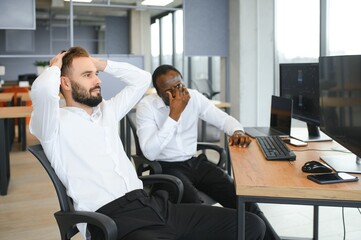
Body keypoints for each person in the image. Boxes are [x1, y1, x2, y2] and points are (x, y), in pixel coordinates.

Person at [29, 47, 266, 240]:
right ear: (65, 83)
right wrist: (56, 65)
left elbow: (141, 79)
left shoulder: (107, 112)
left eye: (96, 74)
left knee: (251, 225)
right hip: (113, 219)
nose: (97, 80)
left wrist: (97, 63)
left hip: (152, 204)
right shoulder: (53, 124)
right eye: (87, 75)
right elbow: (42, 92)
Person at [136, 64, 280, 240]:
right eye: (169, 90)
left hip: (194, 162)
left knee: (244, 201)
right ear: (158, 93)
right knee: (198, 210)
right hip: (166, 166)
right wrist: (174, 115)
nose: (177, 92)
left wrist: (237, 131)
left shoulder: (194, 97)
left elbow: (223, 119)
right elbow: (149, 153)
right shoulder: (146, 107)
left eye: (179, 85)